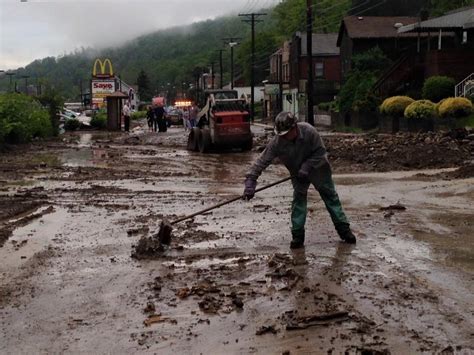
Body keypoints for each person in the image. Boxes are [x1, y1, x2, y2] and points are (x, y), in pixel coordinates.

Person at [243, 111, 356, 249]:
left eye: (286, 134)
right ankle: (297, 236)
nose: (284, 137)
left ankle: (344, 230)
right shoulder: (277, 143)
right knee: (299, 199)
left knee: (330, 196)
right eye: (282, 135)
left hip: (318, 168)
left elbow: (321, 152)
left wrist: (308, 165)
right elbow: (262, 161)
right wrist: (251, 180)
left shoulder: (309, 132)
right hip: (297, 173)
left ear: (294, 127)